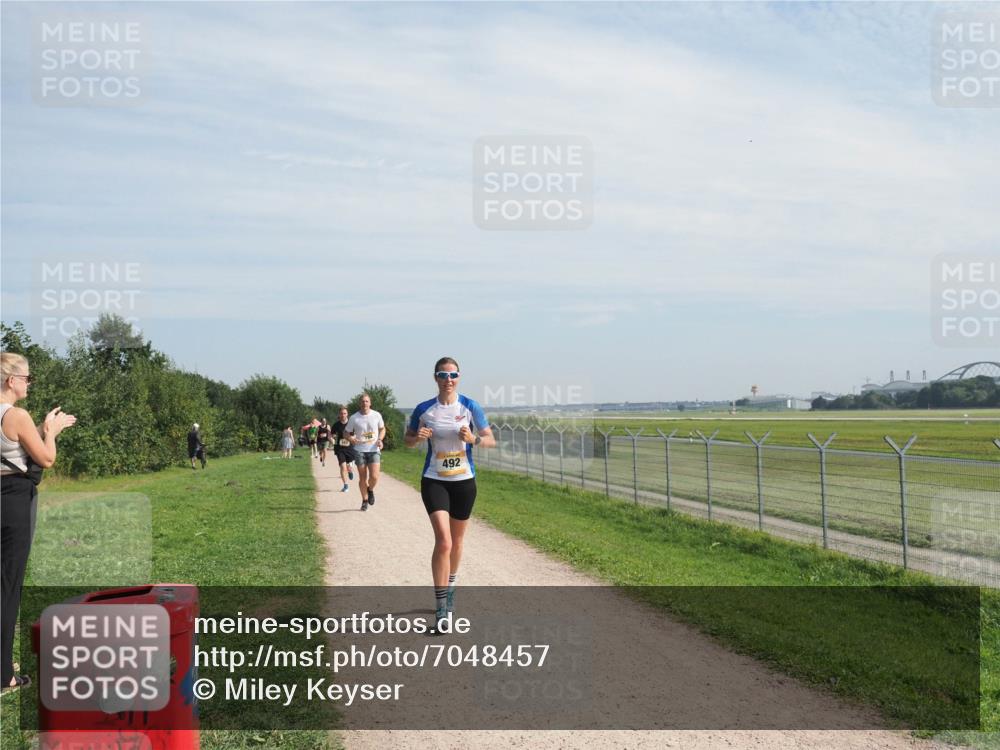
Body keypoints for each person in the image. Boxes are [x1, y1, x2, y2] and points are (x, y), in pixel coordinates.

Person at [1, 352, 76, 692]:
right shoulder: (16, 415)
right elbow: (45, 459)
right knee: (8, 588)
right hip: (13, 503)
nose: (29, 384)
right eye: (27, 378)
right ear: (10, 380)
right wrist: (52, 431)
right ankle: (4, 677)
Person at [404, 357, 494, 626]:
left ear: (459, 377)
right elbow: (407, 441)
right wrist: (417, 437)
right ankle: (441, 605)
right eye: (443, 375)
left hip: (464, 481)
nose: (448, 379)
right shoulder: (424, 409)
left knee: (456, 542)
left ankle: (451, 587)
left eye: (452, 374)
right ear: (435, 377)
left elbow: (490, 439)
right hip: (435, 479)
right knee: (443, 541)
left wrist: (473, 439)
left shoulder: (470, 406)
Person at [347, 394, 385, 511]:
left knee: (374, 476)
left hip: (374, 449)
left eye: (367, 401)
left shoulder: (376, 415)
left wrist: (380, 439)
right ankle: (364, 500)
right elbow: (346, 432)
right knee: (362, 478)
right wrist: (351, 438)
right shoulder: (354, 418)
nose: (364, 403)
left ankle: (370, 489)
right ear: (360, 403)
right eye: (362, 401)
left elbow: (382, 429)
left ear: (370, 403)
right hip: (360, 450)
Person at [331, 407, 357, 492]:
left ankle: (350, 471)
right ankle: (345, 485)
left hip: (350, 448)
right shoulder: (336, 425)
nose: (343, 415)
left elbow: (357, 434)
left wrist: (353, 437)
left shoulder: (352, 424)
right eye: (341, 413)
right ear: (339, 414)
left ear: (347, 414)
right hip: (340, 448)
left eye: (344, 413)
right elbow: (331, 435)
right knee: (342, 467)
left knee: (349, 466)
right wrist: (332, 439)